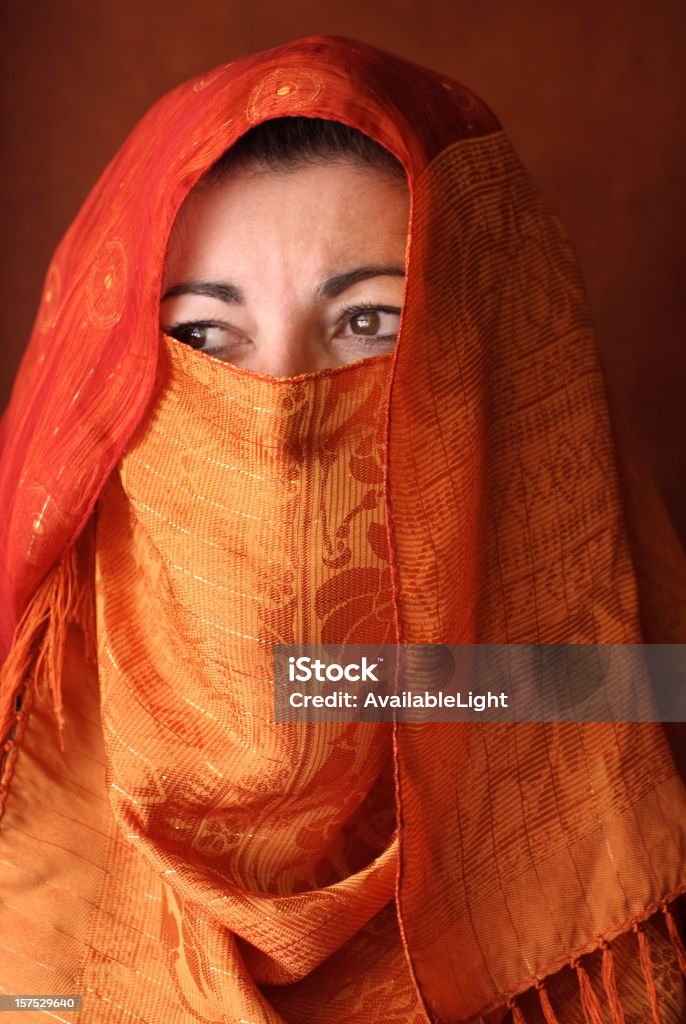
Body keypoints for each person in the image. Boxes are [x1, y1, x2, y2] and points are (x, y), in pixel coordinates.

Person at [0, 33, 684, 1024]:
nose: (280, 407)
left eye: (367, 323)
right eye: (201, 335)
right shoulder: (25, 766)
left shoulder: (618, 747)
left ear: (491, 358)